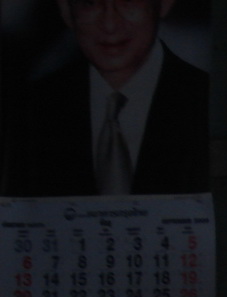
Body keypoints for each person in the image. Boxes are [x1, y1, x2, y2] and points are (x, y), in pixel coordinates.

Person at [3, 0, 209, 196]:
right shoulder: (29, 110)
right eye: (90, 3)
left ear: (164, 3)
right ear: (66, 9)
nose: (110, 25)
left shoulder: (208, 102)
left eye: (128, 2)